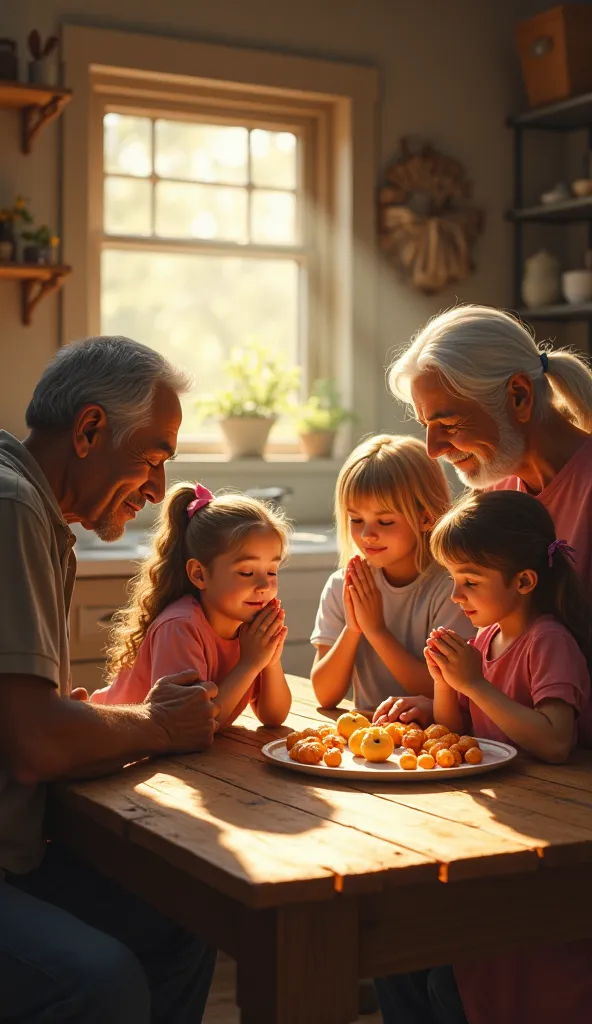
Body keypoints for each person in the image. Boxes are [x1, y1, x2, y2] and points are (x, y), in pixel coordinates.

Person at [0, 336, 218, 1023]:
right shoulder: (13, 508)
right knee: (99, 980)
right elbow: (35, 746)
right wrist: (156, 723)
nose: (158, 490)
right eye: (152, 458)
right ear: (90, 429)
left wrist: (80, 721)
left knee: (182, 916)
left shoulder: (29, 504)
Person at [375, 490, 592, 1024]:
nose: (457, 593)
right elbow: (459, 728)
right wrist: (442, 682)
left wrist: (473, 682)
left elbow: (555, 740)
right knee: (394, 952)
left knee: (453, 982)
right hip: (494, 823)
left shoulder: (547, 641)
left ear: (524, 582)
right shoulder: (489, 636)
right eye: (453, 578)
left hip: (548, 833)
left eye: (470, 581)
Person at [388, 304, 592, 588]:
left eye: (449, 424)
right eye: (426, 427)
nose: (433, 450)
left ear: (519, 395)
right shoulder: (494, 486)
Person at [91, 482, 292, 728]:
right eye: (247, 572)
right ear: (199, 574)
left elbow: (274, 716)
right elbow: (191, 724)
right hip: (112, 743)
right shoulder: (180, 626)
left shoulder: (247, 629)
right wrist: (250, 664)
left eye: (272, 571)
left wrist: (269, 660)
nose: (264, 586)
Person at [310, 435, 473, 713]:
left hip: (436, 739)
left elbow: (450, 690)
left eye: (385, 521)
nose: (367, 535)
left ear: (425, 518)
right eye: (356, 519)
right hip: (368, 742)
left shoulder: (453, 588)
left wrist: (375, 630)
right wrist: (353, 629)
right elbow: (326, 695)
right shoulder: (344, 585)